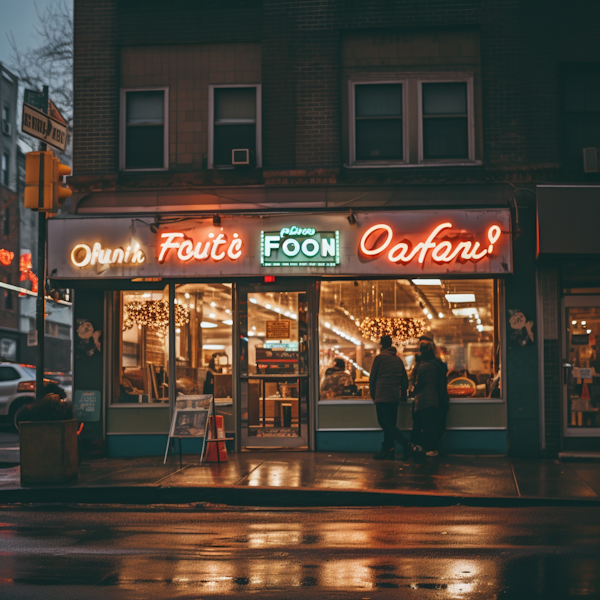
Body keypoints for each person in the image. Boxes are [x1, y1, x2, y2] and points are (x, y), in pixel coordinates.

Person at [369, 335, 411, 460]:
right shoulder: (397, 360)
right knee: (390, 424)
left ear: (381, 345)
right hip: (394, 396)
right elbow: (405, 380)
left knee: (384, 422)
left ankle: (406, 444)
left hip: (382, 395)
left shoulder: (379, 358)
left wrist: (373, 395)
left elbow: (373, 378)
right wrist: (403, 395)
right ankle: (388, 450)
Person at [410, 335, 449, 459]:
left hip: (426, 400)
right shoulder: (435, 364)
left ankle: (431, 448)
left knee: (428, 425)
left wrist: (413, 390)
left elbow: (422, 383)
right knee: (429, 425)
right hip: (433, 399)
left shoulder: (425, 365)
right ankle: (428, 447)